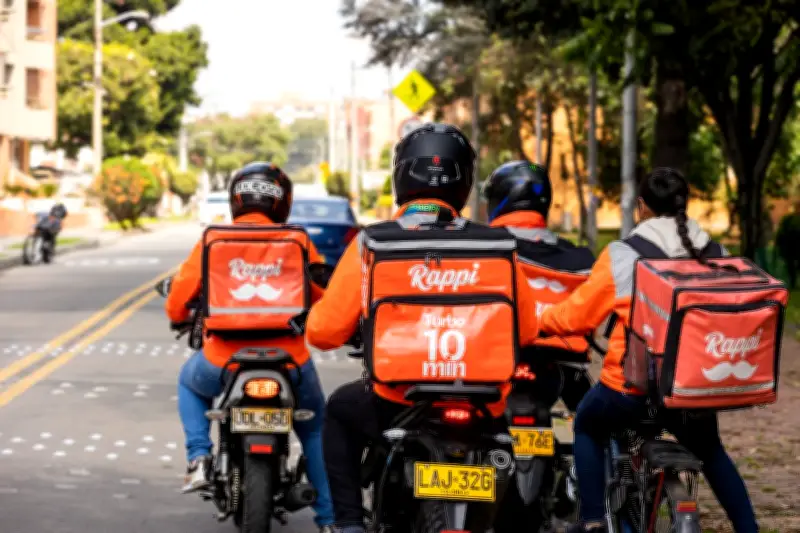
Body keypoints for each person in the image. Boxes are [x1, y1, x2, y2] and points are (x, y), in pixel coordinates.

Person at [306, 124, 540, 533]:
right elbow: (527, 330)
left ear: (401, 175)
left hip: (396, 402)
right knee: (515, 502)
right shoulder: (496, 245)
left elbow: (323, 333)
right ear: (464, 181)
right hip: (482, 407)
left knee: (341, 411)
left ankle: (349, 524)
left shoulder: (373, 243)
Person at [538, 167, 758, 533]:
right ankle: (748, 528)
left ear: (642, 206)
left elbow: (577, 316)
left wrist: (544, 321)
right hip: (692, 390)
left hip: (632, 390)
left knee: (587, 425)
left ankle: (593, 521)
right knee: (711, 451)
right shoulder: (716, 254)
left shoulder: (623, 255)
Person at [164, 162, 335, 532]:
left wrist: (179, 315)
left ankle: (199, 458)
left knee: (189, 384)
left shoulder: (213, 239)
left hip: (222, 361)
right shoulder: (298, 241)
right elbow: (324, 295)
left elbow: (179, 297)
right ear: (282, 202)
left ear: (236, 199)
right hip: (291, 362)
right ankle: (330, 520)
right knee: (314, 429)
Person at [482, 160, 595, 410]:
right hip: (566, 364)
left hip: (498, 359)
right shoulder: (582, 258)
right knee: (594, 422)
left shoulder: (485, 247)